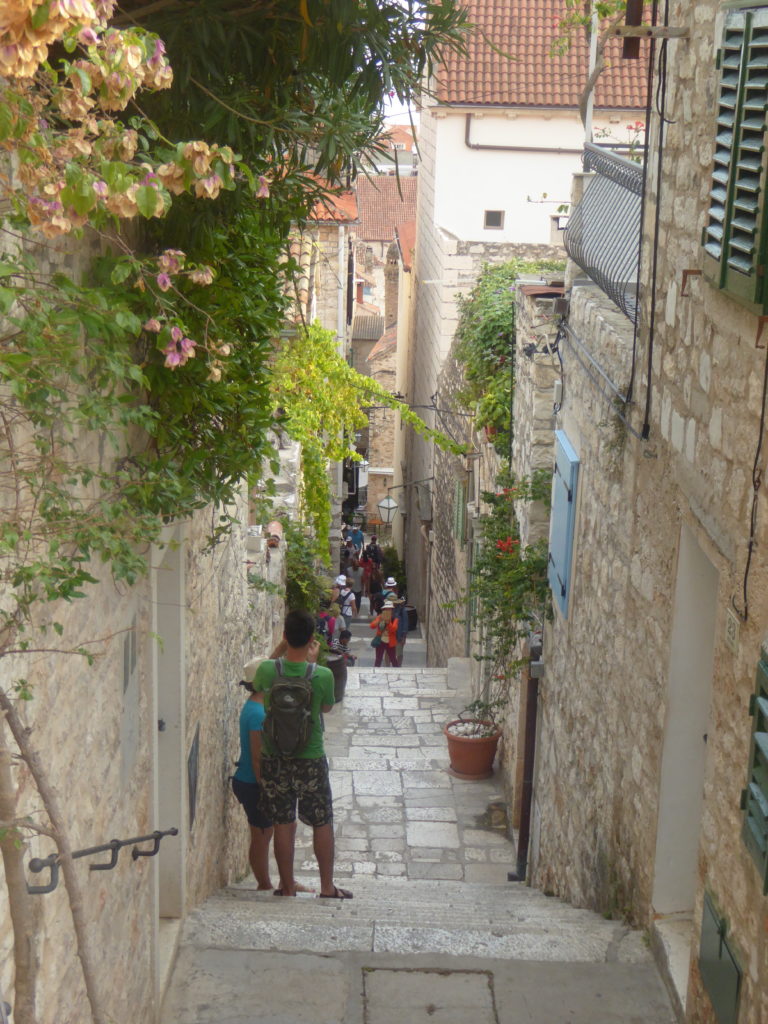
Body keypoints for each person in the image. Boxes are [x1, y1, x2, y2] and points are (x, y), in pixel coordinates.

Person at [253, 610, 352, 899]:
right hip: (310, 758)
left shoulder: (268, 671)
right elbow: (326, 709)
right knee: (322, 821)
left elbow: (260, 685)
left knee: (283, 822)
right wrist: (311, 664)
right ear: (311, 639)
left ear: (285, 636)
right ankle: (326, 887)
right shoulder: (321, 675)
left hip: (274, 756)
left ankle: (286, 886)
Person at [382, 577, 409, 666]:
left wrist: (404, 635)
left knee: (399, 652)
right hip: (388, 634)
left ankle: (398, 667)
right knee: (388, 652)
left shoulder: (400, 608)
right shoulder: (387, 608)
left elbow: (405, 621)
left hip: (398, 634)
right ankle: (388, 667)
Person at [370, 601, 398, 667]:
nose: (388, 610)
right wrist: (379, 620)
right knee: (378, 659)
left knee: (393, 659)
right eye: (387, 609)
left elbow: (393, 629)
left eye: (390, 609)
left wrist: (388, 622)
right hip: (380, 641)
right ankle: (375, 672)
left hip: (390, 642)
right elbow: (372, 626)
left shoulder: (395, 619)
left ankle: (397, 671)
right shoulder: (380, 617)